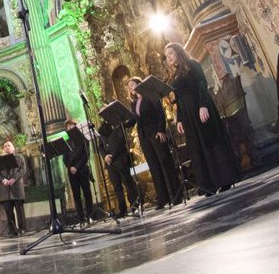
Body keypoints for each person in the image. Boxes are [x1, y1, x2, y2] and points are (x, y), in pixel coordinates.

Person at [165, 43, 240, 196]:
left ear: (178, 52)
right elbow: (177, 100)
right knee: (197, 148)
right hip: (187, 115)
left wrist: (203, 106)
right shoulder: (175, 75)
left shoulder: (193, 64)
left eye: (171, 53)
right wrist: (179, 120)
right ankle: (209, 184)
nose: (169, 57)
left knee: (210, 143)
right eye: (167, 56)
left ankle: (224, 179)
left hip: (200, 108)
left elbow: (202, 84)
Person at [127, 77, 182, 207]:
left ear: (140, 84)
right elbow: (135, 119)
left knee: (165, 162)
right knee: (154, 166)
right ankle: (163, 198)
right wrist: (121, 122)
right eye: (129, 86)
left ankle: (177, 194)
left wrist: (161, 130)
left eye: (132, 84)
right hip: (144, 136)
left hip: (155, 132)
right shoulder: (134, 103)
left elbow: (159, 113)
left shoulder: (150, 96)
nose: (130, 88)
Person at [97, 120, 139, 218]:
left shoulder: (117, 125)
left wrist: (112, 155)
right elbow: (100, 146)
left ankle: (134, 205)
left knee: (128, 183)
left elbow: (121, 141)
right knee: (117, 187)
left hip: (120, 159)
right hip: (110, 163)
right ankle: (122, 209)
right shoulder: (101, 130)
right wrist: (105, 156)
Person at [62, 118, 96, 225]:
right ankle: (81, 218)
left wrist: (76, 167)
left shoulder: (83, 139)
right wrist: (70, 167)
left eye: (71, 126)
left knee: (87, 193)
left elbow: (86, 155)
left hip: (82, 169)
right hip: (72, 172)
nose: (69, 128)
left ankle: (90, 215)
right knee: (76, 196)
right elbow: (65, 158)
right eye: (68, 127)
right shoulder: (66, 142)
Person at [0, 139, 28, 237]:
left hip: (16, 186)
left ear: (13, 148)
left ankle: (22, 228)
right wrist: (3, 180)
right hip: (5, 188)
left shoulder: (19, 157)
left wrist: (13, 179)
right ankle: (12, 230)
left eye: (9, 145)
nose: (7, 147)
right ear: (3, 149)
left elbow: (23, 170)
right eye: (5, 146)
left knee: (19, 209)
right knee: (8, 210)